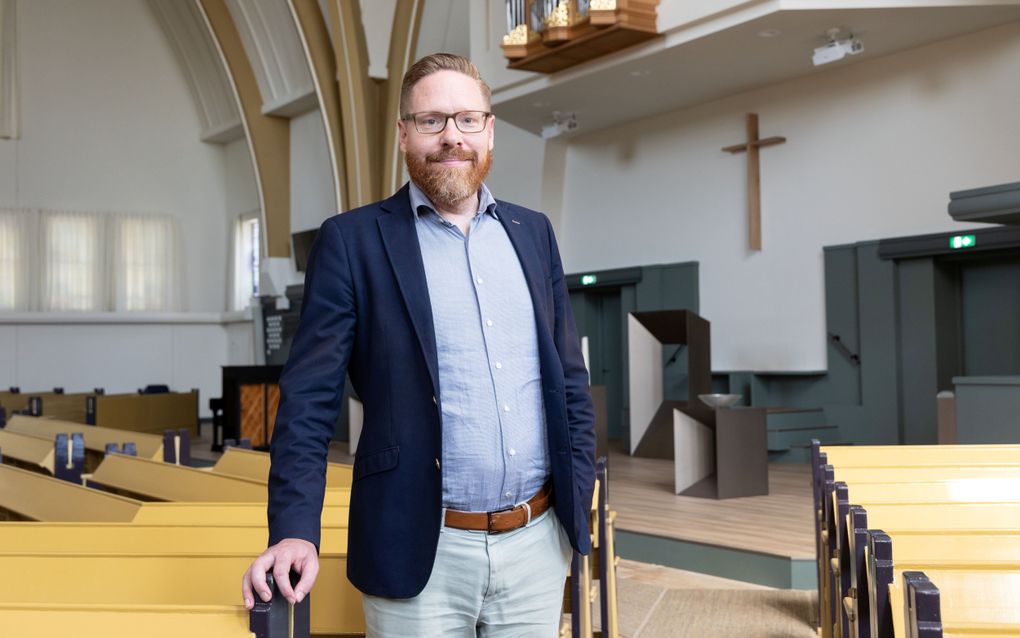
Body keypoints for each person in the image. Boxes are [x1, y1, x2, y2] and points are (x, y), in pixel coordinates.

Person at [241, 52, 595, 637]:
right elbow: (307, 403)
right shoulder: (352, 242)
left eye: (466, 119)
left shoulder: (534, 234)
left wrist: (574, 502)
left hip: (535, 546)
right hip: (418, 547)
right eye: (431, 121)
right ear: (404, 134)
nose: (451, 136)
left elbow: (569, 383)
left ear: (490, 131)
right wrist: (293, 530)